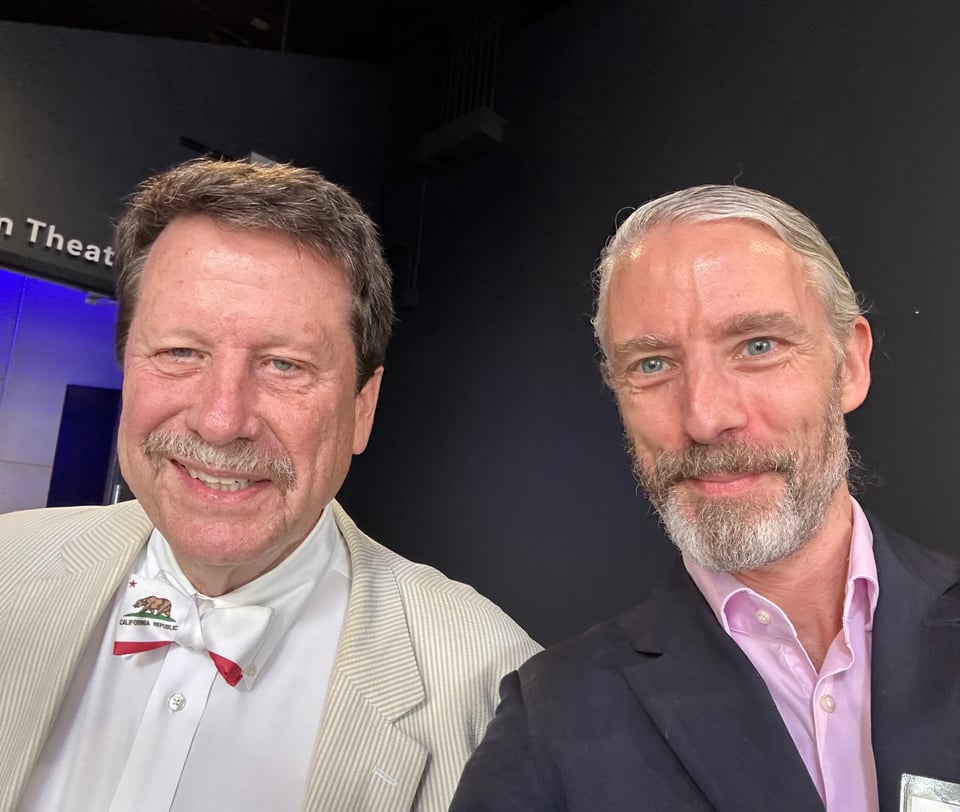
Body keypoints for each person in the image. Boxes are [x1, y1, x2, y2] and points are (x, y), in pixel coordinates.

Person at [0, 158, 540, 812]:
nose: (221, 421)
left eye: (284, 365)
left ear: (362, 408)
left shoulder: (495, 689)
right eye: (180, 352)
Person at [450, 184, 960, 812]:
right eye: (653, 364)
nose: (704, 418)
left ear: (850, 365)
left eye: (757, 346)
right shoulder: (549, 720)